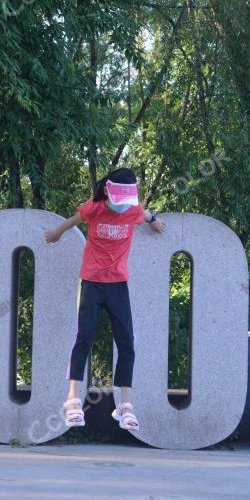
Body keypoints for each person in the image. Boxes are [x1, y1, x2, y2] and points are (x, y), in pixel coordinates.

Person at [45, 168, 165, 431]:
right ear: (109, 194)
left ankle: (124, 405)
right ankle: (72, 400)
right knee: (84, 337)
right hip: (91, 282)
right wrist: (56, 233)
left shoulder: (133, 210)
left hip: (118, 284)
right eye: (118, 203)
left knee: (126, 341)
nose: (122, 209)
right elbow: (74, 220)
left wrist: (154, 219)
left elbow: (143, 215)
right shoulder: (95, 208)